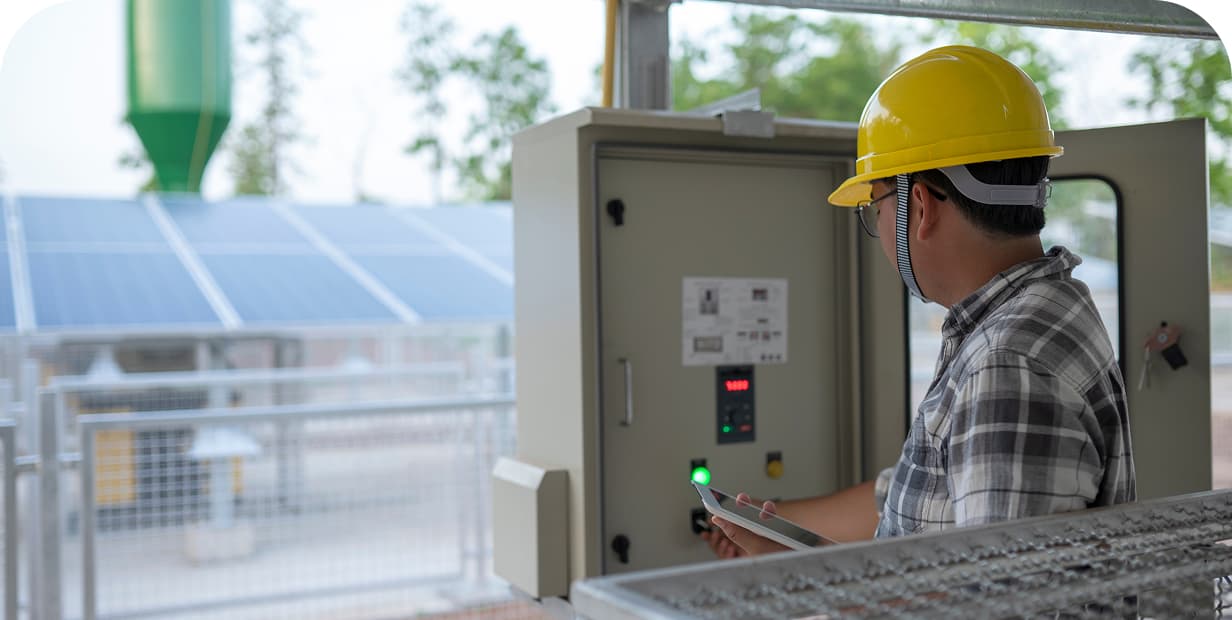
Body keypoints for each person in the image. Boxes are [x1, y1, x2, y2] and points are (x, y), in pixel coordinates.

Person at [702, 45, 1136, 558]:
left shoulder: (1006, 362)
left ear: (920, 205)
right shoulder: (1037, 312)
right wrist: (775, 527)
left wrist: (800, 575)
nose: (879, 229)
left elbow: (1000, 600)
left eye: (875, 207)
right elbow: (914, 497)